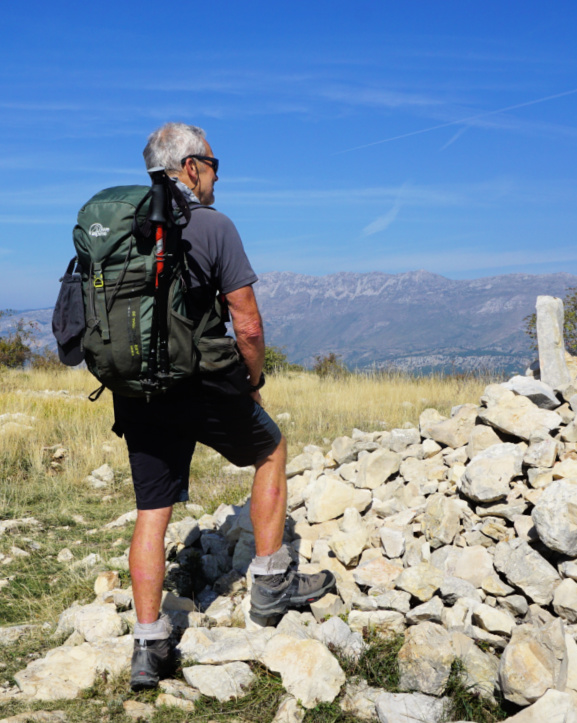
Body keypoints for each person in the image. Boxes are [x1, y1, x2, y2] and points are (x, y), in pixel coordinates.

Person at [120, 122, 335, 691]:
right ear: (190, 167)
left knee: (152, 509)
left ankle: (147, 645)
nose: (217, 176)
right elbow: (248, 322)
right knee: (271, 449)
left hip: (137, 390)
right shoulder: (213, 226)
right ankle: (270, 588)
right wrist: (253, 379)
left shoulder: (117, 227)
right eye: (214, 163)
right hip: (202, 383)